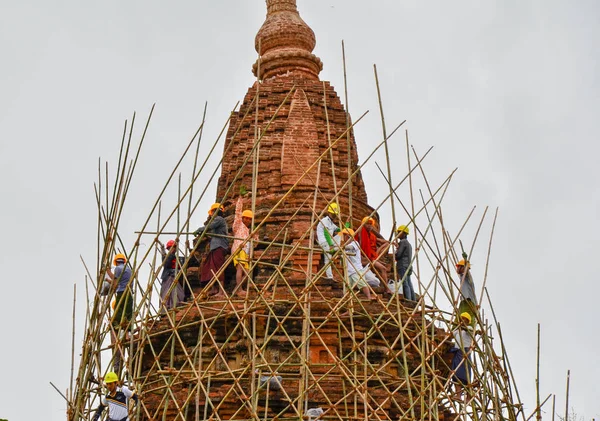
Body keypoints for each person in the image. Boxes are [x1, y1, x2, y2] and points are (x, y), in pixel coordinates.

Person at [194, 203, 229, 298]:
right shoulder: (218, 221)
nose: (212, 214)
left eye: (213, 212)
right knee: (210, 268)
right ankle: (214, 288)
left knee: (218, 269)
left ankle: (221, 292)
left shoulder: (219, 219)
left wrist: (200, 229)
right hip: (215, 247)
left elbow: (210, 226)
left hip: (219, 246)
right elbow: (213, 235)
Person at [106, 253, 134, 373]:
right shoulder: (129, 269)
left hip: (121, 293)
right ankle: (127, 334)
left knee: (118, 316)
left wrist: (108, 272)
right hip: (129, 293)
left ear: (116, 262)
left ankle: (120, 329)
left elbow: (116, 283)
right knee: (128, 316)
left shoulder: (118, 268)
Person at [355, 216, 393, 294]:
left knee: (383, 269)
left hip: (371, 257)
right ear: (363, 225)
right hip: (364, 257)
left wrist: (390, 242)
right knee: (382, 269)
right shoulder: (361, 231)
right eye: (367, 224)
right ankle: (386, 288)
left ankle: (386, 288)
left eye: (370, 224)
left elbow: (379, 240)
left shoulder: (371, 235)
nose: (369, 226)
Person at [338, 228, 376, 301]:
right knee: (347, 290)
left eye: (345, 236)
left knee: (362, 284)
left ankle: (369, 297)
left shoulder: (354, 243)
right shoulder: (344, 247)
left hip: (356, 269)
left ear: (349, 236)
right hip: (348, 272)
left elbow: (350, 248)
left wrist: (341, 247)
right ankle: (348, 307)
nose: (344, 238)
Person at [231, 196, 254, 297]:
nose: (247, 220)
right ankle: (239, 289)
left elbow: (249, 244)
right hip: (238, 250)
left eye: (249, 219)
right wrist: (241, 198)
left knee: (247, 272)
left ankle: (237, 288)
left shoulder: (248, 231)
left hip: (244, 252)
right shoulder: (238, 225)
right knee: (240, 269)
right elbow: (238, 212)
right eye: (246, 218)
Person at [450, 312, 475, 400]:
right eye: (461, 319)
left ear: (468, 321)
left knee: (465, 375)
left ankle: (469, 395)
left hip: (465, 352)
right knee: (455, 374)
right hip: (457, 352)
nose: (462, 321)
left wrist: (462, 326)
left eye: (464, 319)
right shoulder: (457, 330)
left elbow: (470, 331)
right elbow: (450, 335)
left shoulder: (469, 328)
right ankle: (458, 395)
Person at [158, 239, 185, 310]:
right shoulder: (168, 257)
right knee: (167, 293)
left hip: (175, 277)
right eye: (170, 248)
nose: (172, 249)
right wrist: (162, 248)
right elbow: (165, 263)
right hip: (168, 277)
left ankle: (176, 305)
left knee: (177, 292)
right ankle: (167, 308)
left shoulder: (177, 258)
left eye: (173, 248)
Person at [316, 203, 341, 278]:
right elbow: (326, 234)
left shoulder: (331, 222)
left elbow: (339, 230)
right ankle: (330, 277)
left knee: (340, 235)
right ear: (329, 213)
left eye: (335, 214)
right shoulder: (325, 220)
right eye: (333, 214)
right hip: (324, 242)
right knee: (328, 259)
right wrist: (331, 245)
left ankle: (337, 248)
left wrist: (346, 225)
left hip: (329, 242)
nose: (334, 215)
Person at [394, 225, 416, 301]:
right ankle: (413, 300)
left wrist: (396, 252)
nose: (398, 234)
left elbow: (399, 255)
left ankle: (409, 300)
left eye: (399, 232)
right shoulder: (409, 244)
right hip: (409, 265)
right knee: (409, 283)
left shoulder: (402, 242)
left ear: (404, 234)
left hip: (402, 265)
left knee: (405, 283)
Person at [456, 259, 477, 325]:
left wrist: (465, 259)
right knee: (459, 318)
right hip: (463, 301)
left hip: (469, 301)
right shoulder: (462, 277)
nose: (457, 268)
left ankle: (469, 329)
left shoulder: (467, 276)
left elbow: (467, 271)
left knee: (467, 317)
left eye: (459, 267)